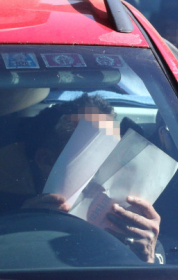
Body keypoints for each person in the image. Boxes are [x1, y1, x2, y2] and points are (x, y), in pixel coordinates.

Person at [22, 94, 162, 263]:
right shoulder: (15, 225)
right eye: (98, 151)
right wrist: (25, 230)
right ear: (47, 160)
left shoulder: (141, 236)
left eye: (117, 154)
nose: (112, 168)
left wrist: (145, 261)